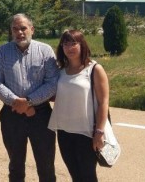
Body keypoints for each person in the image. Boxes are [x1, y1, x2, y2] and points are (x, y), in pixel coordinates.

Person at [0, 13, 59, 182]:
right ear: (11, 31)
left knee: (46, 165)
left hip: (41, 115)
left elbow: (53, 82)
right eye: (15, 29)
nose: (19, 32)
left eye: (23, 28)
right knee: (15, 165)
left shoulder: (45, 51)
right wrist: (15, 101)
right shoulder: (2, 52)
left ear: (32, 29)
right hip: (11, 115)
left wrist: (28, 102)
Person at [48, 30, 110, 182]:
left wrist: (99, 132)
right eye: (65, 44)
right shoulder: (60, 71)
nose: (69, 47)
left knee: (88, 176)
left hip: (86, 132)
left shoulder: (94, 69)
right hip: (64, 131)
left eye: (73, 43)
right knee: (75, 175)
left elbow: (103, 102)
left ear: (82, 45)